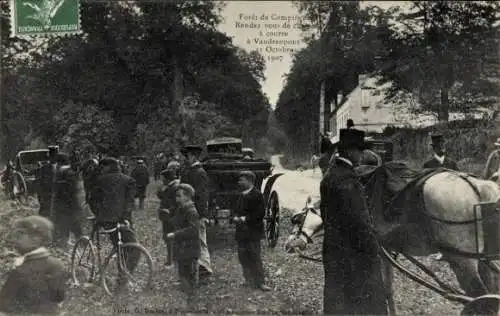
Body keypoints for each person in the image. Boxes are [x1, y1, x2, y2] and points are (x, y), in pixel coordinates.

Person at [320, 128, 388, 315]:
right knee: (365, 299)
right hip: (353, 254)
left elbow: (325, 214)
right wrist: (374, 246)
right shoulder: (347, 179)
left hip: (334, 249)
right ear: (350, 151)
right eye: (359, 151)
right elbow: (360, 221)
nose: (362, 155)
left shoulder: (331, 173)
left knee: (338, 300)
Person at [89, 157, 139, 292]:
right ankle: (123, 280)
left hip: (106, 221)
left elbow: (91, 199)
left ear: (107, 167)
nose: (101, 169)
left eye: (103, 167)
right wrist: (126, 218)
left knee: (119, 247)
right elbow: (129, 202)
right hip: (123, 220)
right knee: (134, 249)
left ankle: (122, 278)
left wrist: (99, 214)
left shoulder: (100, 180)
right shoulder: (128, 180)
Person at [0, 216, 68, 314]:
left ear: (36, 238)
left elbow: (3, 305)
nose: (15, 239)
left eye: (20, 234)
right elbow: (59, 297)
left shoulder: (21, 270)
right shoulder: (57, 265)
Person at [233, 171, 271, 291]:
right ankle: (248, 280)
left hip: (253, 232)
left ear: (249, 181)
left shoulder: (257, 195)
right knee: (243, 256)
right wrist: (235, 217)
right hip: (241, 232)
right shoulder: (241, 195)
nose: (239, 182)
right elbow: (236, 210)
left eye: (241, 180)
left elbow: (260, 213)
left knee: (255, 256)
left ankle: (260, 282)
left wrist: (245, 218)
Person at [180, 145, 213, 279]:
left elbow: (203, 195)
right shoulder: (189, 171)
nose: (185, 159)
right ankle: (194, 271)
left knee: (200, 240)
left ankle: (205, 269)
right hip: (187, 210)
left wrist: (203, 215)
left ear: (193, 156)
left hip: (196, 212)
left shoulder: (200, 173)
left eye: (187, 156)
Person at [165, 184, 201, 303]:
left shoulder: (191, 211)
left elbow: (193, 230)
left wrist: (175, 234)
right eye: (176, 196)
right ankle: (187, 298)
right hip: (182, 249)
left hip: (190, 249)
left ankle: (192, 301)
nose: (177, 199)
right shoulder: (181, 209)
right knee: (183, 273)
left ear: (187, 197)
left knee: (190, 275)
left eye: (179, 196)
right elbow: (175, 222)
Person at [52, 153, 83, 249]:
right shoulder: (69, 172)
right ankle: (80, 244)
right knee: (74, 226)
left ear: (59, 162)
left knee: (66, 226)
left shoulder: (62, 173)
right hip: (71, 205)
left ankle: (69, 245)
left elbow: (60, 191)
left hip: (65, 205)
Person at [157, 161, 181, 266]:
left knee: (170, 238)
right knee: (168, 238)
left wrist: (169, 210)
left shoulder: (174, 187)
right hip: (167, 216)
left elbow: (176, 202)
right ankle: (171, 259)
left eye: (163, 179)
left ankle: (171, 260)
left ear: (167, 179)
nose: (162, 181)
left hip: (171, 216)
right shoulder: (171, 186)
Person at [36, 145, 59, 218]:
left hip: (59, 198)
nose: (53, 157)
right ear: (49, 156)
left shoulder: (62, 168)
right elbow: (40, 184)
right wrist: (41, 199)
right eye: (52, 155)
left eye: (55, 154)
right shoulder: (44, 169)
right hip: (47, 197)